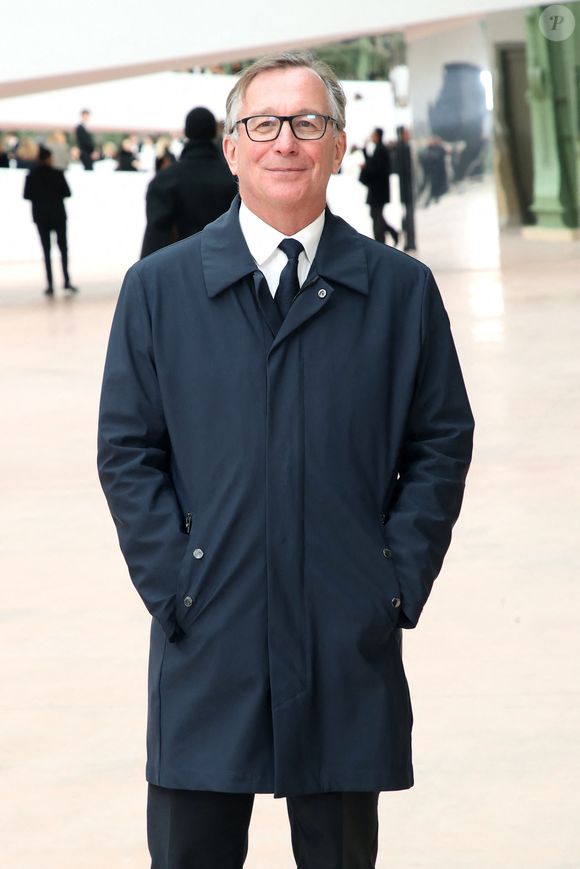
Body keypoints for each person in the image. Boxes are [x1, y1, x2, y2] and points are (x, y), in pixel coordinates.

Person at [98, 51, 474, 869]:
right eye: (262, 124)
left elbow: (442, 440)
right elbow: (128, 451)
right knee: (192, 852)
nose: (285, 142)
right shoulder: (158, 292)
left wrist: (394, 577)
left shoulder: (399, 290)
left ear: (340, 146)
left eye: (309, 123)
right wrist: (175, 582)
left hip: (344, 632)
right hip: (210, 628)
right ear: (233, 147)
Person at [140, 107, 237, 257]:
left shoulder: (165, 181)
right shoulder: (234, 179)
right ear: (214, 132)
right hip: (229, 265)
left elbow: (155, 238)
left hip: (180, 269)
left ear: (186, 132)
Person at [23, 145, 78, 296]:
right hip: (58, 215)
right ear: (48, 158)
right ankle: (66, 280)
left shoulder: (31, 175)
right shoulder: (57, 174)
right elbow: (67, 192)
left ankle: (50, 284)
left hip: (41, 217)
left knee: (46, 250)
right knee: (63, 249)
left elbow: (26, 195)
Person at [359, 127, 399, 246]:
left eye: (373, 135)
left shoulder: (381, 150)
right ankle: (390, 235)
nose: (371, 137)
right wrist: (365, 151)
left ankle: (381, 241)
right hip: (377, 190)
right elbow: (372, 163)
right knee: (375, 215)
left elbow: (377, 169)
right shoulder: (378, 149)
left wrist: (366, 168)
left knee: (376, 215)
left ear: (377, 136)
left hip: (379, 190)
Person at [395, 125, 417, 252]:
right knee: (409, 217)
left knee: (408, 216)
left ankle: (410, 241)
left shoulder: (402, 147)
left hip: (406, 190)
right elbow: (406, 172)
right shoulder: (404, 148)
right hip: (407, 190)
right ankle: (410, 242)